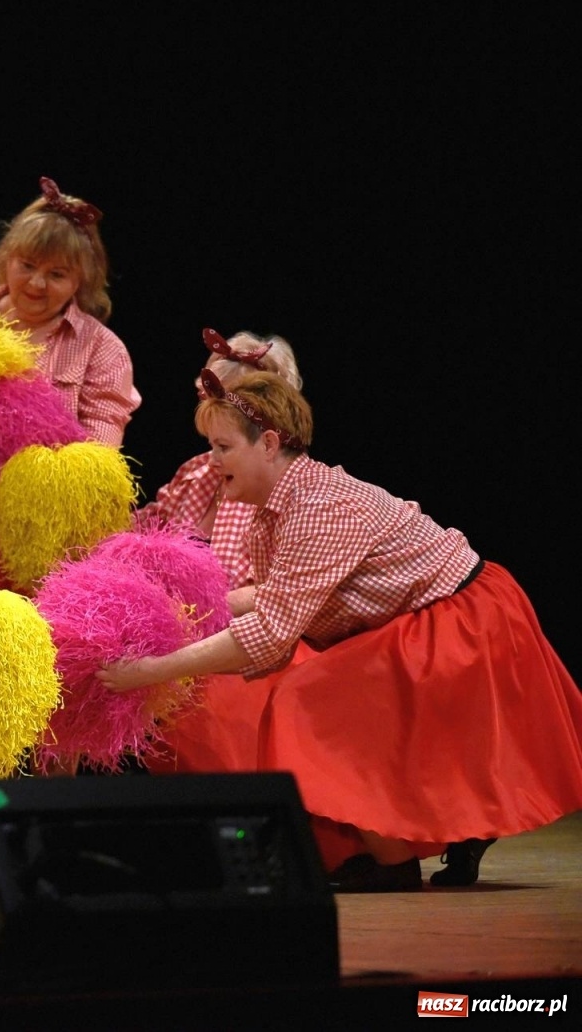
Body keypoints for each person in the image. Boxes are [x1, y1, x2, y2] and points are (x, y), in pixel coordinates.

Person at [95, 370, 582, 892]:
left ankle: (392, 862)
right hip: (417, 618)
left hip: (464, 619)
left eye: (222, 446)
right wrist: (186, 614)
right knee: (321, 699)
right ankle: (418, 844)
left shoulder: (320, 508)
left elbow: (269, 633)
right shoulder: (278, 504)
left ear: (271, 445)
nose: (212, 461)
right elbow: (273, 592)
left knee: (311, 703)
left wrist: (153, 670)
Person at [0, 176, 139, 588]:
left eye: (56, 274)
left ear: (81, 280)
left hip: (40, 533)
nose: (35, 284)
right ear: (6, 258)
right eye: (27, 265)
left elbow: (100, 458)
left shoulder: (102, 350)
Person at [137, 327, 302, 589]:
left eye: (227, 406)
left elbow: (284, 593)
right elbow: (143, 530)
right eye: (208, 398)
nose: (212, 413)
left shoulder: (286, 496)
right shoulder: (195, 471)